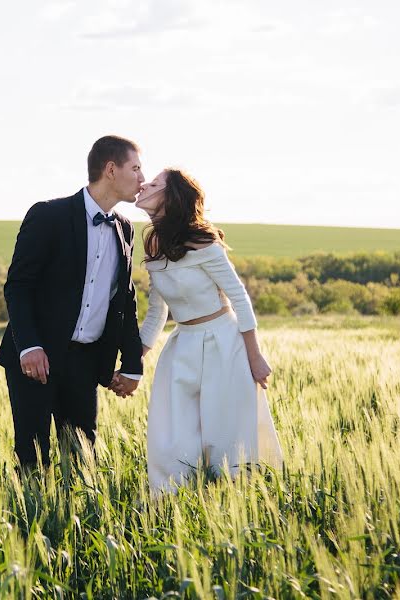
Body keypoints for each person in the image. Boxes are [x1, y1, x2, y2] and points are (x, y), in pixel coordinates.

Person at [115, 168, 283, 492]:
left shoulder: (205, 243)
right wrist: (133, 364)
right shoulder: (154, 247)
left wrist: (255, 357)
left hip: (224, 344)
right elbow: (157, 314)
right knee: (173, 438)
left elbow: (240, 298)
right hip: (182, 349)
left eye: (155, 183)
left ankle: (232, 502)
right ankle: (170, 503)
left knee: (225, 439)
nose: (144, 184)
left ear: (171, 197)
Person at [0, 135, 145, 470]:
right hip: (37, 359)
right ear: (110, 169)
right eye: (135, 168)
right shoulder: (49, 215)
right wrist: (29, 346)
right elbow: (18, 286)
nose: (141, 178)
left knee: (82, 459)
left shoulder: (125, 229)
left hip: (85, 361)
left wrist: (132, 362)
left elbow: (125, 300)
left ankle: (76, 522)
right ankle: (34, 520)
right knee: (33, 457)